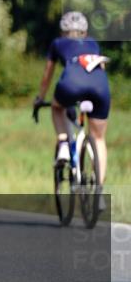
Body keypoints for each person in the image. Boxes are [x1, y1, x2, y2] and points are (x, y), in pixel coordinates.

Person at [34, 11, 111, 190]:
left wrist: (40, 98)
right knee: (99, 138)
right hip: (101, 87)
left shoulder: (58, 43)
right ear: (85, 31)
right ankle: (99, 188)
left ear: (63, 31)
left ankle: (63, 144)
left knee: (57, 108)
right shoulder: (93, 43)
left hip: (71, 84)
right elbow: (100, 68)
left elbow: (47, 75)